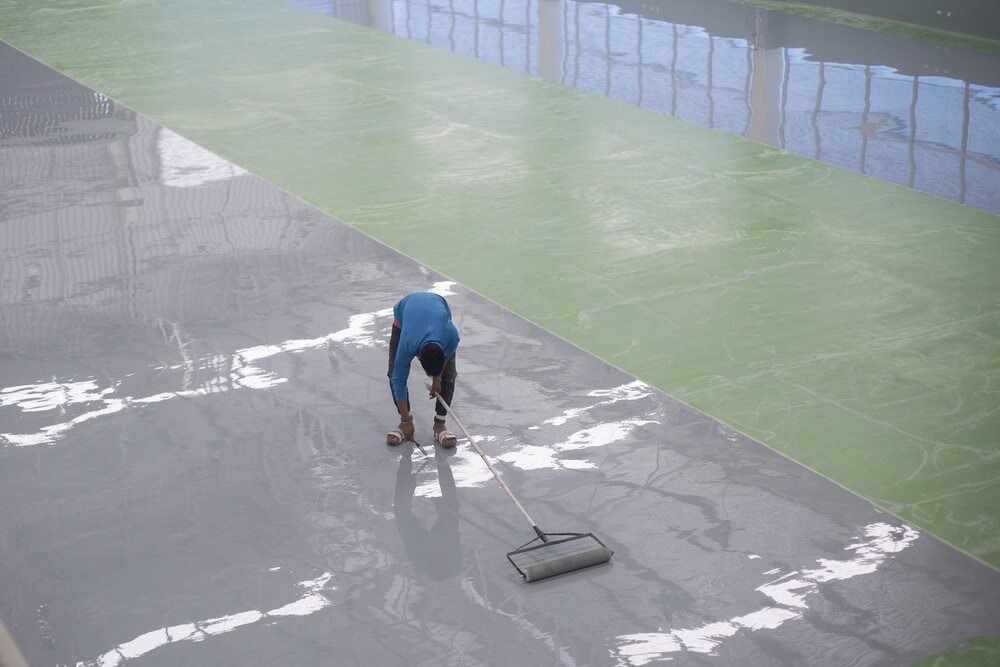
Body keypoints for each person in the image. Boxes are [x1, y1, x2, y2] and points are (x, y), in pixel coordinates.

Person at [386, 291, 459, 447]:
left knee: (449, 375)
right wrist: (406, 420)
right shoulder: (408, 343)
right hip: (404, 314)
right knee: (394, 373)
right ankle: (403, 422)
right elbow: (398, 379)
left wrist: (438, 378)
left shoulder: (451, 336)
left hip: (438, 305)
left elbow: (445, 358)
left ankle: (439, 424)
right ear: (418, 357)